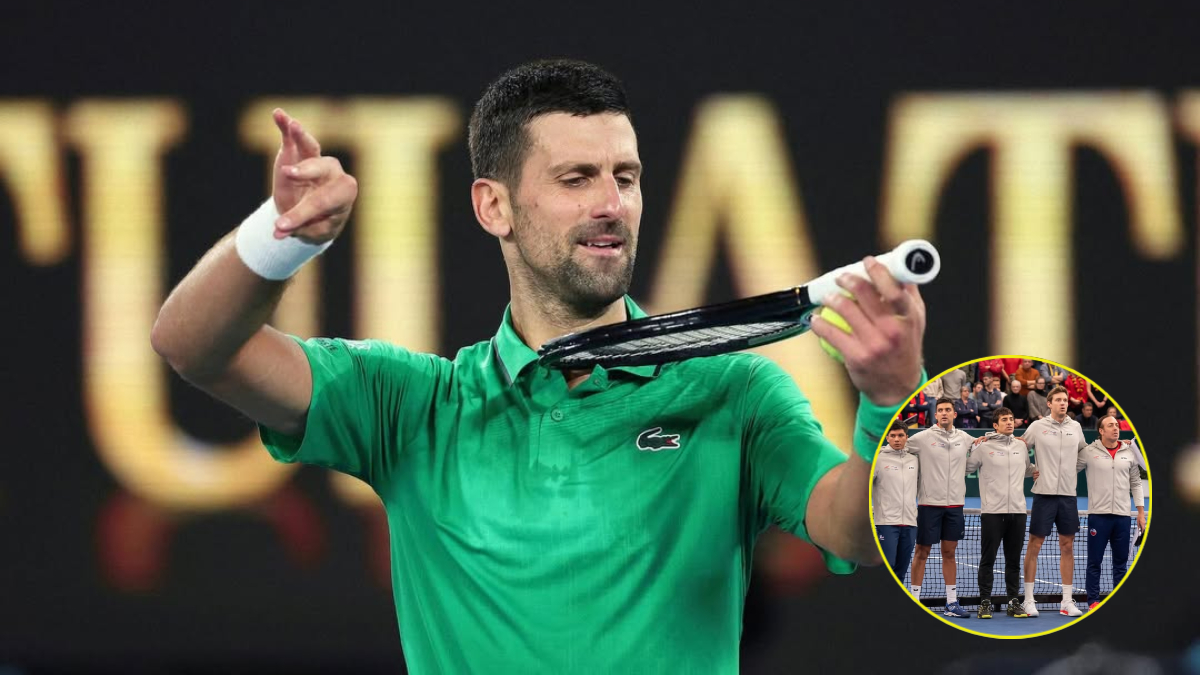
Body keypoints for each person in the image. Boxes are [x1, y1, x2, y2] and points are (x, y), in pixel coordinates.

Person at [149, 60, 926, 672]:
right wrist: (282, 236)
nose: (611, 203)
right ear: (494, 206)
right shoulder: (411, 407)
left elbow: (857, 532)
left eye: (626, 177)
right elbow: (191, 345)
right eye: (576, 178)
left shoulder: (733, 390)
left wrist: (893, 398)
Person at [1021, 385, 1089, 617]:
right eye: (1058, 400)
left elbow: (1084, 453)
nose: (1063, 403)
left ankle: (1067, 602)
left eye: (1065, 400)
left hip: (1068, 495)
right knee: (1035, 544)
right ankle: (1028, 600)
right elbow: (1019, 448)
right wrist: (1031, 469)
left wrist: (1071, 470)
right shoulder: (1037, 426)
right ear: (1049, 404)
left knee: (1067, 546)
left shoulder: (1076, 427)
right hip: (1044, 494)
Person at [904, 397, 974, 618]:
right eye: (940, 410)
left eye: (948, 410)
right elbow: (897, 445)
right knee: (921, 552)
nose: (944, 413)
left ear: (954, 414)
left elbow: (986, 442)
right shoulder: (922, 438)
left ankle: (951, 603)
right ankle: (914, 599)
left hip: (955, 506)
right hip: (929, 505)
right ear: (935, 415)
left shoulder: (965, 438)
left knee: (949, 553)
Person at [967, 408, 1038, 619]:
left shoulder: (1021, 446)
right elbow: (966, 468)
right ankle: (985, 603)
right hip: (992, 512)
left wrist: (1039, 470)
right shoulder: (983, 447)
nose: (1009, 422)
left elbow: (1027, 469)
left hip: (1018, 511)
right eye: (1004, 420)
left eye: (1011, 419)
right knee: (987, 560)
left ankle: (1013, 602)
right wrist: (970, 446)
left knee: (1013, 561)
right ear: (995, 425)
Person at [1077, 413, 1146, 611]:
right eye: (1110, 425)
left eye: (1116, 425)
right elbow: (1069, 470)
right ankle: (1093, 601)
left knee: (1121, 563)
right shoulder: (1089, 452)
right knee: (1094, 562)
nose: (1116, 428)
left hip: (1123, 517)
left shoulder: (1129, 452)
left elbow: (1136, 483)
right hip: (1098, 517)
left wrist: (1140, 512)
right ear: (1101, 431)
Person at [873, 422, 919, 584]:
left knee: (901, 570)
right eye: (892, 436)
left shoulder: (914, 460)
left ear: (907, 437)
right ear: (887, 438)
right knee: (887, 569)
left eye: (900, 435)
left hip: (910, 523)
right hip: (887, 523)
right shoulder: (877, 460)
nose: (897, 439)